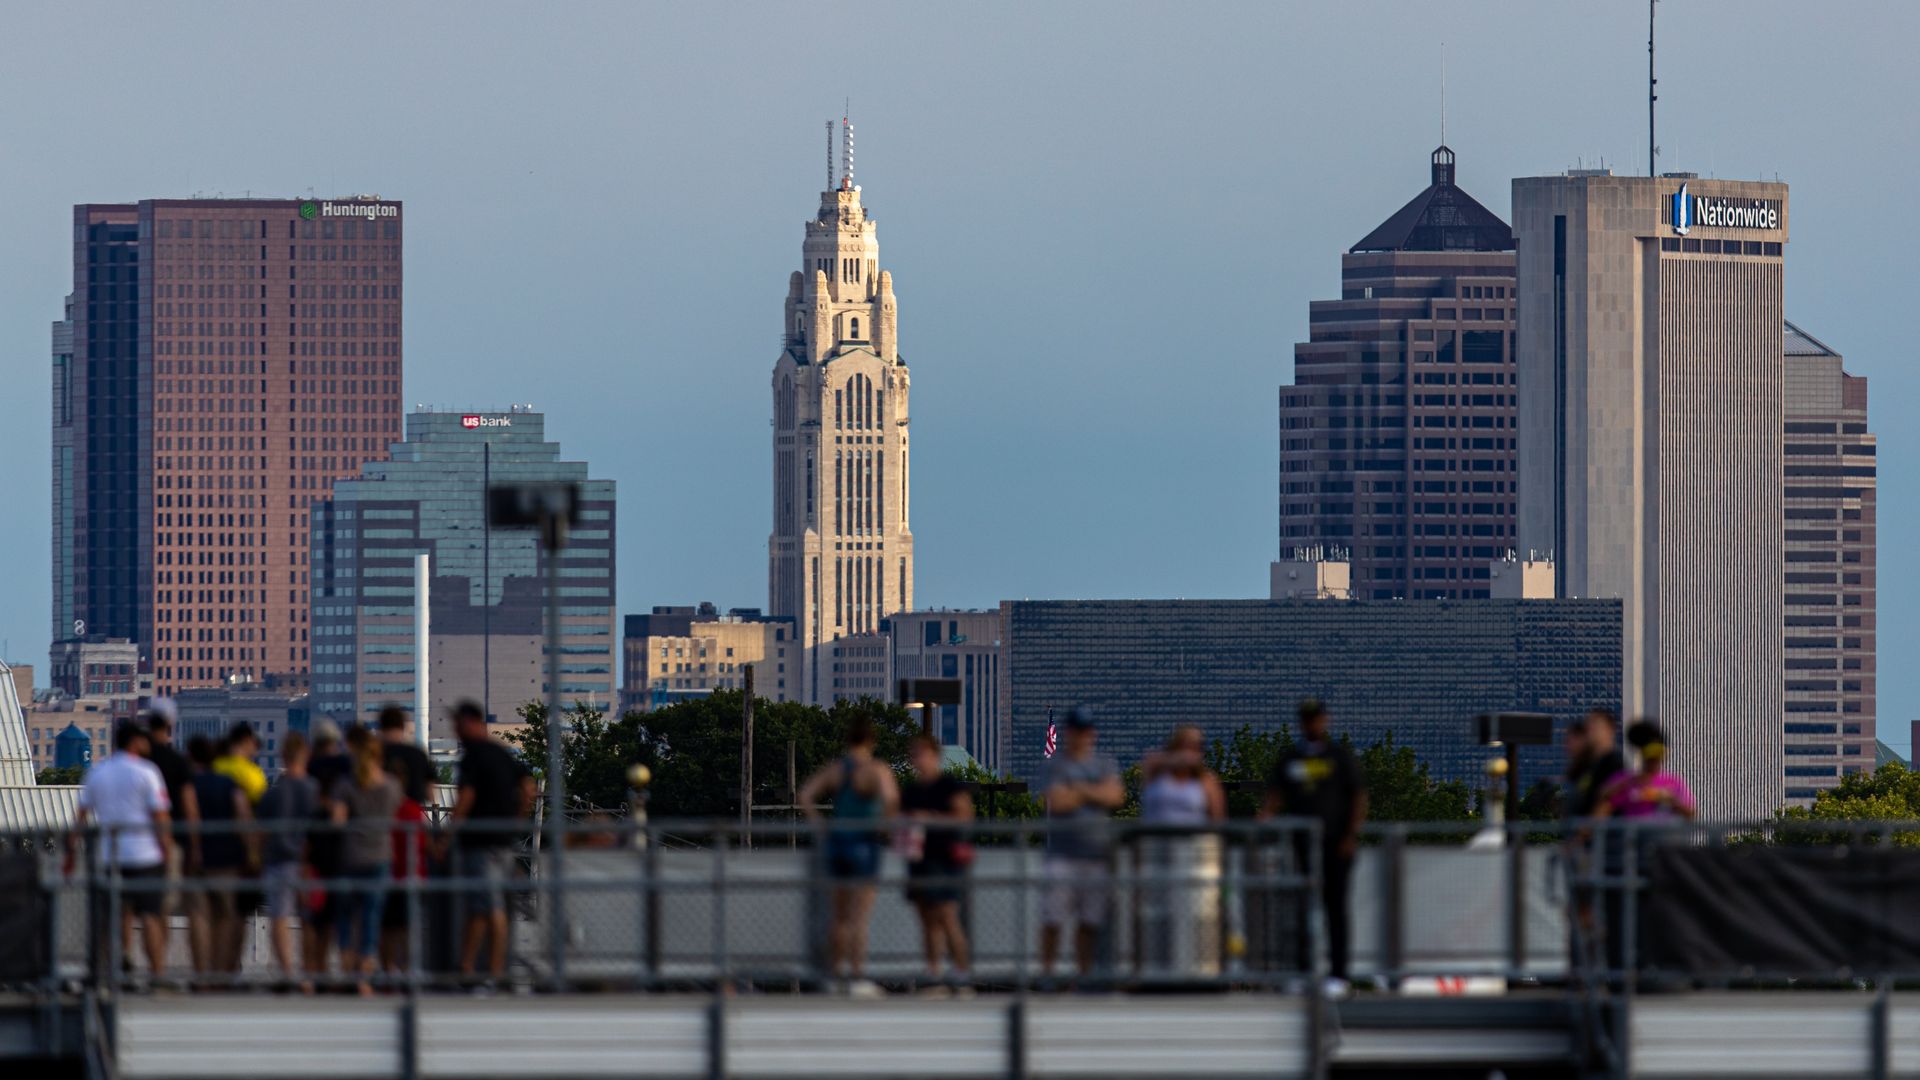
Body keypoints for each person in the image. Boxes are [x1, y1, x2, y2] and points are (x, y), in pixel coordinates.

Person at [1263, 698, 1367, 999]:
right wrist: (1265, 816)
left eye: (1316, 718)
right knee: (1300, 908)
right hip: (1301, 845)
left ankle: (1338, 973)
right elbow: (1275, 793)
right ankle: (1302, 971)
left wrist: (1350, 835)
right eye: (1307, 719)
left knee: (1335, 908)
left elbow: (1358, 795)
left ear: (1325, 721)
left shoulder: (1338, 756)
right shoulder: (1291, 757)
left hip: (1335, 844)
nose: (1312, 724)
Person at [799, 710, 899, 997]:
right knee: (859, 917)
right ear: (871, 740)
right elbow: (891, 799)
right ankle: (856, 975)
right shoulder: (876, 769)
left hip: (837, 843)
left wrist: (820, 825)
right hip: (865, 842)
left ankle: (835, 975)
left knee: (839, 916)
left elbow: (805, 795)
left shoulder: (837, 769)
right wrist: (885, 826)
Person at [69, 723, 173, 984]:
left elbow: (80, 817)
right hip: (145, 856)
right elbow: (160, 816)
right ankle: (157, 974)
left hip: (110, 856)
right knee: (150, 915)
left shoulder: (97, 772)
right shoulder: (147, 771)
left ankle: (111, 972)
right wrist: (167, 850)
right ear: (135, 741)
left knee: (114, 916)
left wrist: (70, 853)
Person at [447, 701, 533, 990]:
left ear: (471, 722)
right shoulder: (501, 753)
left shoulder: (473, 756)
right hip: (502, 841)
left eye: (458, 724)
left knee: (491, 905)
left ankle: (495, 971)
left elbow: (466, 798)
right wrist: (516, 821)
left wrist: (447, 835)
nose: (455, 730)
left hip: (480, 843)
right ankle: (467, 966)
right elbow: (528, 787)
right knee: (481, 906)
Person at [1038, 706, 1124, 981]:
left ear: (1092, 733)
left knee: (1089, 922)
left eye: (1086, 730)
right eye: (1076, 730)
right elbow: (1057, 802)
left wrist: (1077, 790)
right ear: (1068, 733)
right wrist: (1094, 792)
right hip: (1061, 856)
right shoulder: (1055, 764)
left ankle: (1083, 977)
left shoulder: (1104, 763)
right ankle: (1048, 975)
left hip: (1095, 856)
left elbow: (1116, 796)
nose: (1081, 736)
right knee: (1053, 919)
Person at [331, 727, 402, 995]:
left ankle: (347, 970)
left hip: (350, 856)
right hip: (380, 856)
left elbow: (337, 822)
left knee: (346, 918)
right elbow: (394, 819)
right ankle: (364, 975)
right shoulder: (391, 786)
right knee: (372, 919)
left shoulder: (346, 784)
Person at [899, 734, 972, 992]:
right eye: (914, 754)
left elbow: (965, 815)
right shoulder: (912, 790)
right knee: (927, 919)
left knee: (947, 915)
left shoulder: (948, 785)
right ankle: (934, 973)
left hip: (944, 859)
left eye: (921, 753)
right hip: (919, 859)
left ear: (934, 755)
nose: (917, 759)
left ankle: (961, 972)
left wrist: (930, 818)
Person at [186, 735, 253, 980]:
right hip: (227, 859)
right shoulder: (228, 783)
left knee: (199, 917)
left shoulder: (189, 784)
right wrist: (251, 854)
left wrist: (193, 850)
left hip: (196, 859)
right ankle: (222, 972)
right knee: (225, 917)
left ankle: (201, 973)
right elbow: (243, 816)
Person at [257, 732, 317, 990]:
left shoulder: (274, 795)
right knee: (310, 921)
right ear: (306, 755)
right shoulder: (315, 791)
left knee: (279, 918)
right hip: (310, 864)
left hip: (279, 861)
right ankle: (311, 973)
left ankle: (288, 973)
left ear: (283, 756)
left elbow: (260, 832)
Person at [142, 700, 199, 922]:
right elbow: (189, 804)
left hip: (139, 841)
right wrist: (195, 844)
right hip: (172, 841)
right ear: (170, 724)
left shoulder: (139, 761)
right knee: (164, 907)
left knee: (137, 908)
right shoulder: (177, 762)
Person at [304, 721, 352, 983]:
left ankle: (316, 971)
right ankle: (347, 973)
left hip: (315, 849)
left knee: (316, 917)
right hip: (344, 849)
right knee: (343, 917)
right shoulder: (347, 765)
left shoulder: (310, 766)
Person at [378, 705, 436, 806]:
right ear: (402, 726)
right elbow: (430, 795)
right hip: (411, 811)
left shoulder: (372, 754)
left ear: (381, 727)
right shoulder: (418, 754)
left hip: (381, 812)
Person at [214, 722, 268, 805]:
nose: (257, 750)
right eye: (257, 744)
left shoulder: (213, 766)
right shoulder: (252, 773)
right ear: (246, 740)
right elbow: (263, 802)